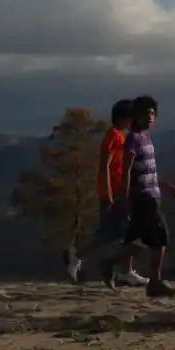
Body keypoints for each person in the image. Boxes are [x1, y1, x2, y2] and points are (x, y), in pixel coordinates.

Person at [102, 95, 175, 297]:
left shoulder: (146, 139)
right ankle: (154, 282)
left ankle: (108, 262)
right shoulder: (132, 140)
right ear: (135, 117)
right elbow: (127, 169)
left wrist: (165, 186)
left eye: (153, 113)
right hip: (143, 198)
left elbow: (149, 171)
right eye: (146, 113)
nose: (150, 117)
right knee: (160, 237)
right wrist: (124, 196)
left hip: (151, 195)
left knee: (135, 240)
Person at [66, 100, 148, 287]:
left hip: (118, 193)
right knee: (116, 233)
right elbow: (105, 167)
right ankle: (77, 255)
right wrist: (110, 195)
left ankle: (126, 271)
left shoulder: (117, 136)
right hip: (113, 194)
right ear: (123, 118)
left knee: (119, 233)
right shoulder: (114, 137)